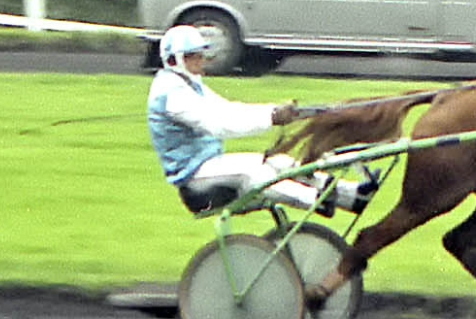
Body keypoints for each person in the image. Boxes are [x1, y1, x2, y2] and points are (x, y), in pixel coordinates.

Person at [148, 25, 374, 216]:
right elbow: (219, 125)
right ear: (174, 59)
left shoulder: (189, 84)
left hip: (209, 166)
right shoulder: (172, 94)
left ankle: (353, 196)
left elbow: (230, 109)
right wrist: (272, 118)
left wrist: (276, 111)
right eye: (193, 56)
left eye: (200, 55)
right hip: (195, 178)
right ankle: (315, 199)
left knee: (278, 162)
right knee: (254, 173)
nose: (201, 61)